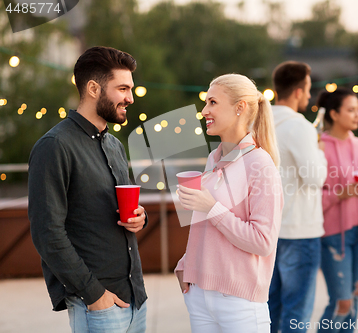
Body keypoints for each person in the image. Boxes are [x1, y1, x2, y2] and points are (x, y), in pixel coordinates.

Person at [28, 46, 148, 333]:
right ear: (94, 88)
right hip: (98, 306)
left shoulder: (114, 145)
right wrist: (93, 294)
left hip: (136, 298)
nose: (130, 98)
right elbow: (47, 233)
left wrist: (138, 217)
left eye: (130, 88)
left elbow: (108, 210)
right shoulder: (54, 146)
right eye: (122, 88)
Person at [174, 73, 284, 333]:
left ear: (240, 107)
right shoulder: (214, 157)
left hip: (240, 302)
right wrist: (186, 264)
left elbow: (263, 241)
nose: (204, 110)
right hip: (199, 295)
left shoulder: (261, 165)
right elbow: (208, 228)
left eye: (212, 102)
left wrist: (211, 207)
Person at [268, 61, 328, 333]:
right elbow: (316, 178)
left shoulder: (259, 123)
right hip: (300, 231)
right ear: (297, 91)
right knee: (296, 313)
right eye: (307, 89)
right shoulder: (301, 126)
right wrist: (320, 151)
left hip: (266, 229)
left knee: (269, 310)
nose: (308, 95)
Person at [316, 88, 358, 332]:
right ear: (334, 113)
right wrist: (340, 194)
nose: (357, 115)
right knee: (342, 302)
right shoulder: (320, 146)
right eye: (350, 110)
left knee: (355, 295)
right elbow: (312, 195)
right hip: (333, 233)